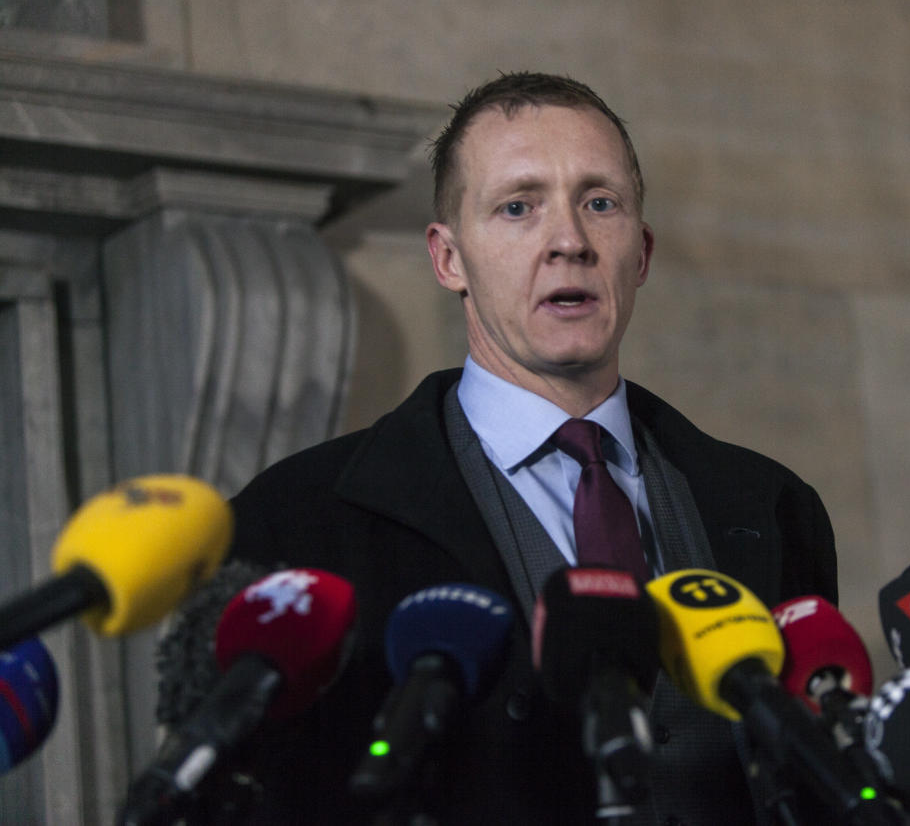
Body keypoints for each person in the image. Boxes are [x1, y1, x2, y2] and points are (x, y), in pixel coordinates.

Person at [216, 71, 837, 824]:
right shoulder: (297, 523)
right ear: (449, 260)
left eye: (599, 202)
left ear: (639, 253)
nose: (569, 241)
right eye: (518, 207)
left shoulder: (772, 506)